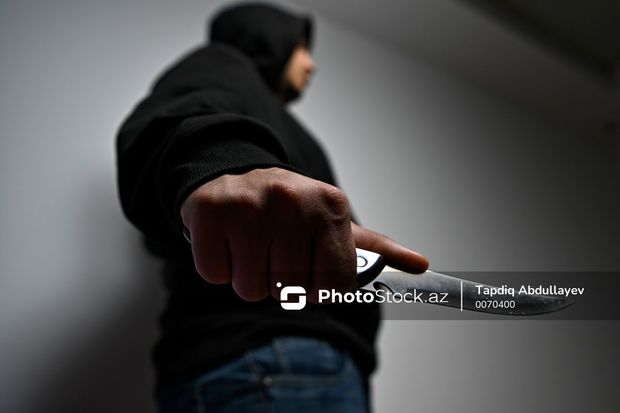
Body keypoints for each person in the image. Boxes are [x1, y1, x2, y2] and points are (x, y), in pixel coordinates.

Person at [116, 3, 428, 412]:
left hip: (292, 364)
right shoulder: (222, 64)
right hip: (274, 361)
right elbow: (178, 117)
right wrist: (223, 166)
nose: (312, 65)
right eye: (302, 48)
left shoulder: (267, 111)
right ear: (269, 39)